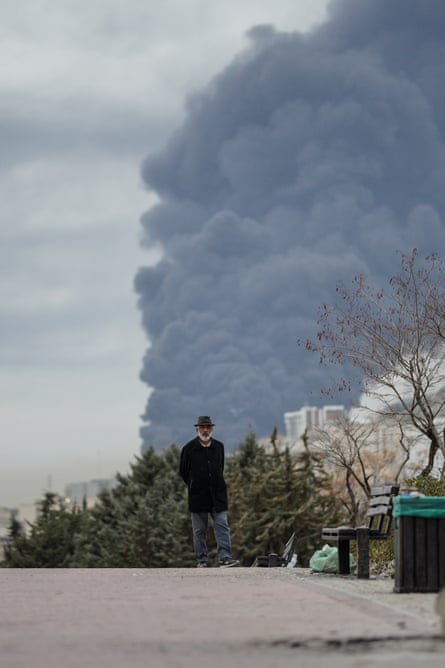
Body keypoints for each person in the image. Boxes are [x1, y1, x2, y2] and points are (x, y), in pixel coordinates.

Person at [179, 416, 239, 568]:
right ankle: (202, 561)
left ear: (212, 429)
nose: (205, 430)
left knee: (222, 525)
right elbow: (183, 472)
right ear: (197, 429)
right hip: (198, 496)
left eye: (208, 427)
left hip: (218, 495)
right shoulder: (189, 448)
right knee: (199, 530)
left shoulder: (219, 447)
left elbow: (220, 467)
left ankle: (225, 558)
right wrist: (194, 484)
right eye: (202, 427)